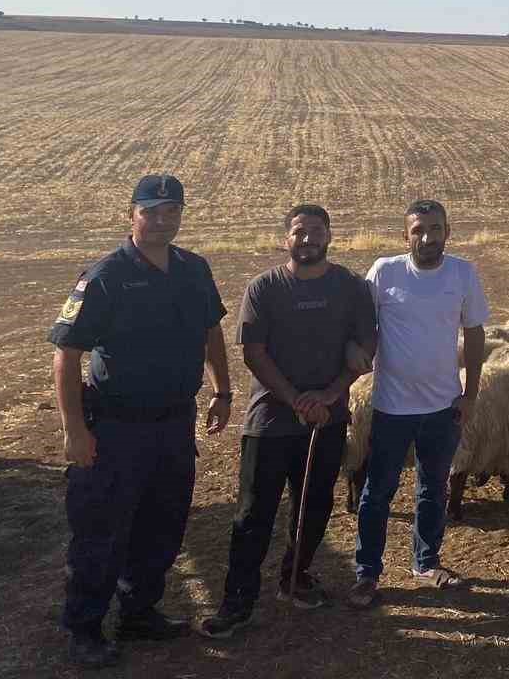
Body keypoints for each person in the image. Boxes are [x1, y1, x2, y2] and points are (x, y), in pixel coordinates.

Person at [48, 174, 232, 669]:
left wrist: (222, 390)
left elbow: (211, 329)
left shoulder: (194, 269)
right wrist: (74, 429)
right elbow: (67, 353)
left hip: (174, 424)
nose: (162, 220)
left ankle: (139, 612)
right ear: (131, 214)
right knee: (101, 530)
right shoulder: (105, 275)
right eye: (151, 211)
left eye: (171, 211)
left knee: (163, 522)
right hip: (114, 427)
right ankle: (84, 627)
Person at [199, 204, 377, 638]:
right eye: (299, 231)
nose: (307, 239)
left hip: (327, 419)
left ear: (330, 236)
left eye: (316, 231)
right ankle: (236, 602)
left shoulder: (351, 287)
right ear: (286, 239)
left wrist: (332, 394)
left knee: (315, 506)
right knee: (253, 512)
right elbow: (253, 353)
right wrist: (297, 399)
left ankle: (295, 577)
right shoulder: (264, 288)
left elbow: (364, 347)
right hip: (270, 420)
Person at [349, 198, 489, 609]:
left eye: (435, 229)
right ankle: (367, 573)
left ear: (448, 231)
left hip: (442, 406)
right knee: (377, 492)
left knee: (433, 488)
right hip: (392, 406)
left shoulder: (462, 273)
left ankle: (426, 563)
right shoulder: (385, 271)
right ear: (405, 235)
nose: (427, 237)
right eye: (418, 230)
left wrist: (471, 394)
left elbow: (475, 333)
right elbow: (363, 324)